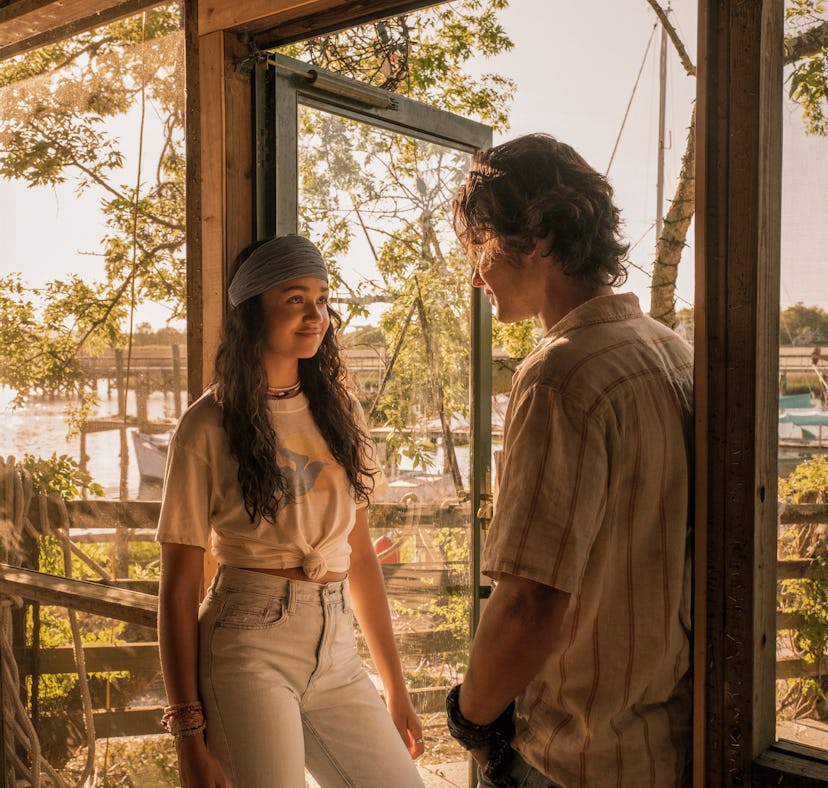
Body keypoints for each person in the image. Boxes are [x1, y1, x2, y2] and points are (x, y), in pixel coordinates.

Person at [445, 134, 694, 787]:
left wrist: (469, 718)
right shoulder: (671, 353)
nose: (475, 275)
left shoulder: (561, 376)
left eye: (479, 247)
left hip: (574, 757)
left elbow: (529, 600)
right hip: (666, 749)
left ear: (539, 235)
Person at [156, 234, 425, 788]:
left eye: (323, 299)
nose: (315, 315)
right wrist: (187, 734)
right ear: (253, 309)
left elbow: (359, 553)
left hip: (337, 649)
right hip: (246, 648)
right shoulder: (206, 425)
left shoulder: (341, 410)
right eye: (295, 299)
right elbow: (178, 590)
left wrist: (394, 687)